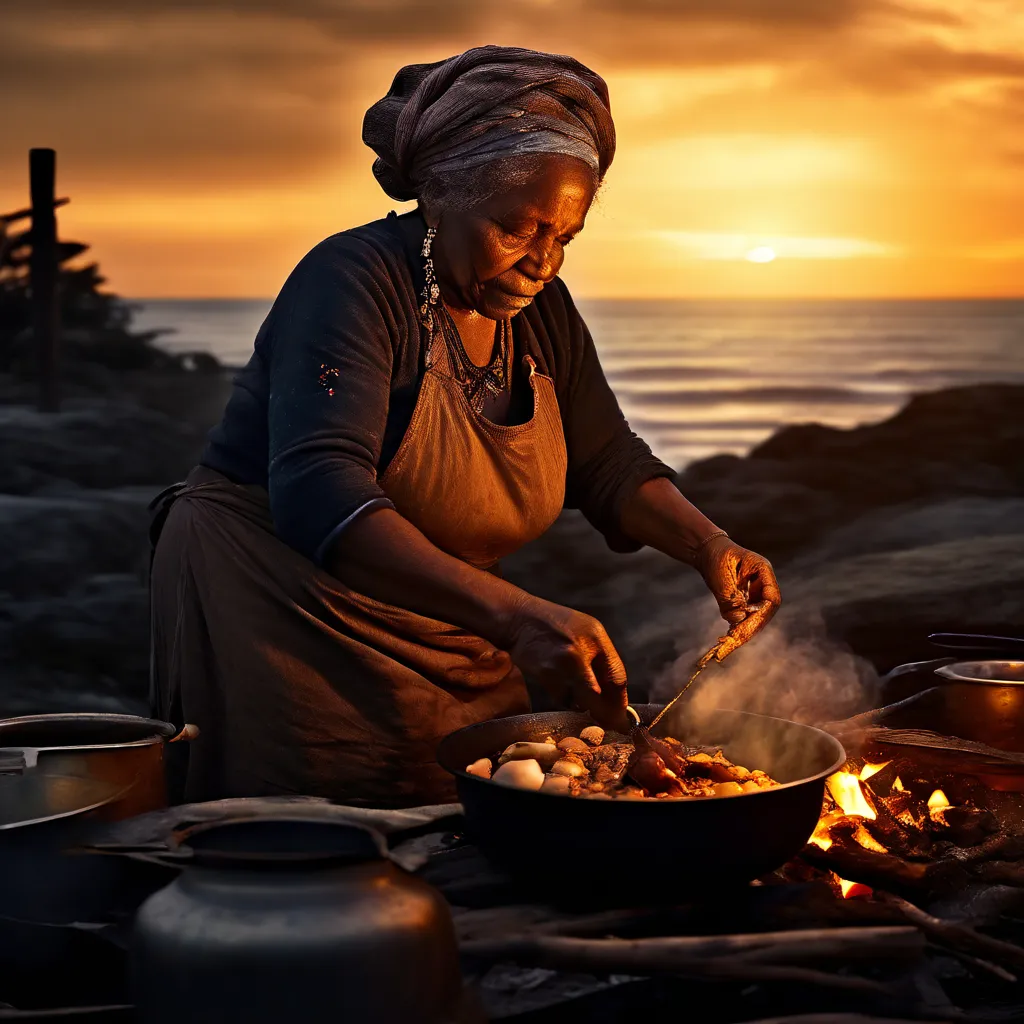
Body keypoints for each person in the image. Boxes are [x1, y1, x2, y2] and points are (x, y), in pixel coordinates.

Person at [150, 45, 780, 808]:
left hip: (449, 613)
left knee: (465, 814)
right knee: (320, 838)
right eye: (515, 228)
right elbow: (319, 490)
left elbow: (607, 460)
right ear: (442, 198)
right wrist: (519, 616)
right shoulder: (351, 282)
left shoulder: (542, 311)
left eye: (565, 237)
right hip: (282, 605)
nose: (543, 261)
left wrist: (708, 544)